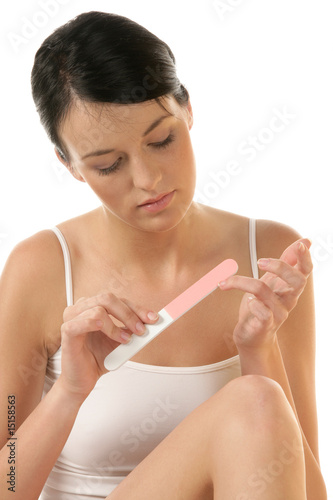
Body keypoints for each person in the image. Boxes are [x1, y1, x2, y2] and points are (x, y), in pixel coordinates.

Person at [0, 10, 327, 500]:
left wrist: (258, 349)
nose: (148, 180)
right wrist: (70, 391)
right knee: (252, 400)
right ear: (69, 166)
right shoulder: (41, 268)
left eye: (162, 140)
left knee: (257, 400)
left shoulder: (270, 256)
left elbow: (311, 490)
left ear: (187, 109)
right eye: (109, 165)